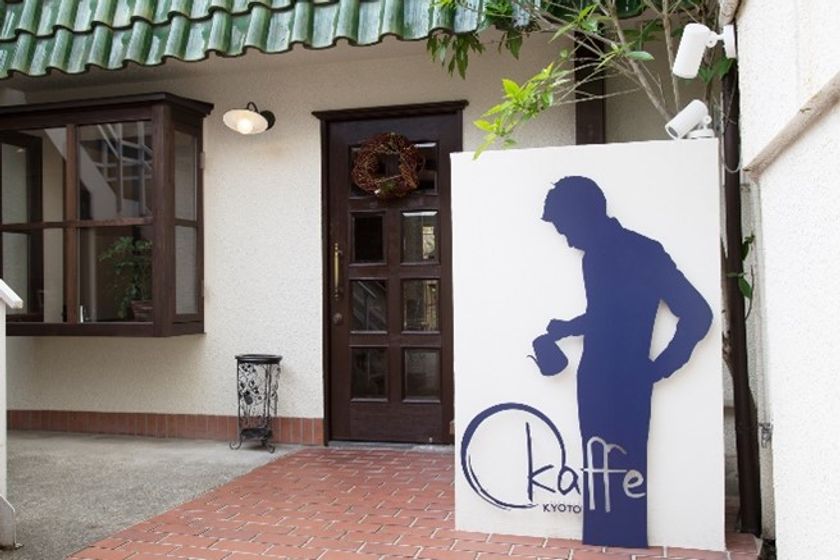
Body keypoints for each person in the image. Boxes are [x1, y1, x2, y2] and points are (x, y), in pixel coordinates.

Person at [534, 176, 713, 548]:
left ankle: (621, 540)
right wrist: (569, 327)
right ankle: (602, 538)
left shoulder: (643, 251)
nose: (567, 240)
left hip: (625, 379)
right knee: (599, 468)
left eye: (566, 229)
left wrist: (659, 368)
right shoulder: (600, 256)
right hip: (599, 378)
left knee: (620, 469)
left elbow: (698, 313)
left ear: (584, 216)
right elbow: (609, 314)